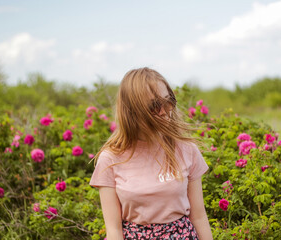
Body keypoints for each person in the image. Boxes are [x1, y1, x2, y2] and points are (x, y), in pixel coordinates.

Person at [89, 67, 213, 239]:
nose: (165, 111)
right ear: (133, 111)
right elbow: (114, 231)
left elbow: (198, 216)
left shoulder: (187, 150)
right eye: (155, 106)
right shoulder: (110, 158)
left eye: (168, 101)